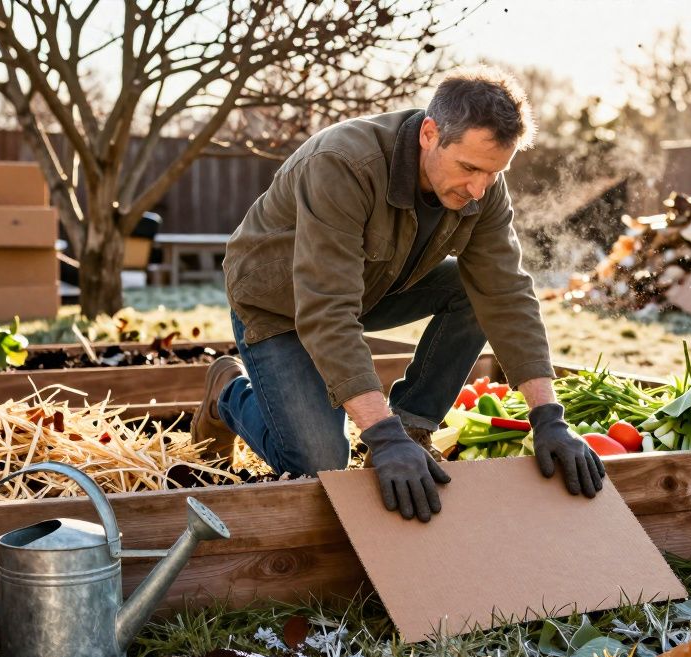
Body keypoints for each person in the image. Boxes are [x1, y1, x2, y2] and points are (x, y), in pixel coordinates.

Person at [192, 66, 604, 522]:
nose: (477, 189)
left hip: (372, 287)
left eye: (493, 173)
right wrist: (381, 436)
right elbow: (326, 311)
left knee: (474, 289)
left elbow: (505, 292)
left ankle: (415, 426)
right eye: (468, 168)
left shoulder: (482, 185)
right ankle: (228, 392)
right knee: (319, 466)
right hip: (277, 302)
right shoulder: (343, 165)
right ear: (430, 133)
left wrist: (548, 416)